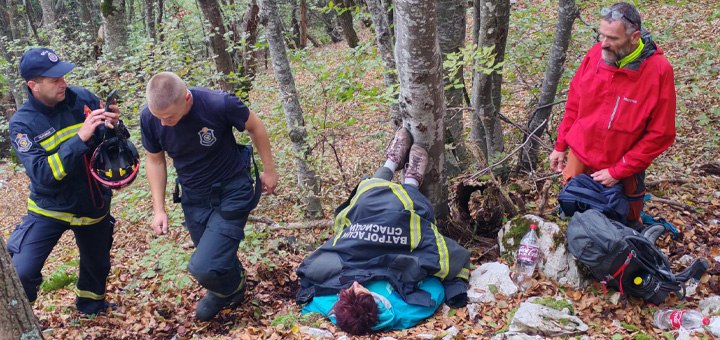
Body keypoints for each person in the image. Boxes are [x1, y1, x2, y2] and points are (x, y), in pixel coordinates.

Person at [296, 129, 471, 335]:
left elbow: (310, 301)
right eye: (358, 289)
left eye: (347, 290)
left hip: (361, 237)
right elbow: (436, 287)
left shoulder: (339, 310)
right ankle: (412, 178)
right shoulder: (407, 312)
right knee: (405, 211)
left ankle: (392, 161)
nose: (353, 284)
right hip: (398, 239)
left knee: (364, 202)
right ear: (373, 300)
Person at [140, 72, 278, 321]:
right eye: (158, 117)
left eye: (169, 116)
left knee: (202, 266)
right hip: (193, 197)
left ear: (187, 99)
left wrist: (269, 170)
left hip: (232, 189)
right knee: (214, 255)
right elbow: (155, 160)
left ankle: (231, 288)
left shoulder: (218, 104)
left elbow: (255, 126)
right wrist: (159, 209)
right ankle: (233, 287)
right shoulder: (150, 117)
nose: (163, 123)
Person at [7, 48, 121, 315]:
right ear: (33, 85)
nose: (63, 83)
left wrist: (115, 127)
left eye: (64, 76)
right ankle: (22, 320)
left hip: (92, 200)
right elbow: (43, 174)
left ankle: (91, 307)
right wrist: (79, 139)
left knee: (98, 264)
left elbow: (109, 145)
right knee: (20, 270)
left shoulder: (83, 98)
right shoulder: (22, 124)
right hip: (49, 208)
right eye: (55, 79)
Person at [549, 2, 676, 228]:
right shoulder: (595, 55)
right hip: (580, 159)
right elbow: (574, 104)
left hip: (623, 168)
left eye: (612, 39)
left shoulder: (658, 70)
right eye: (601, 35)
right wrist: (561, 145)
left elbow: (661, 133)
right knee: (570, 220)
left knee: (620, 229)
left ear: (634, 37)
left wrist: (618, 171)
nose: (603, 44)